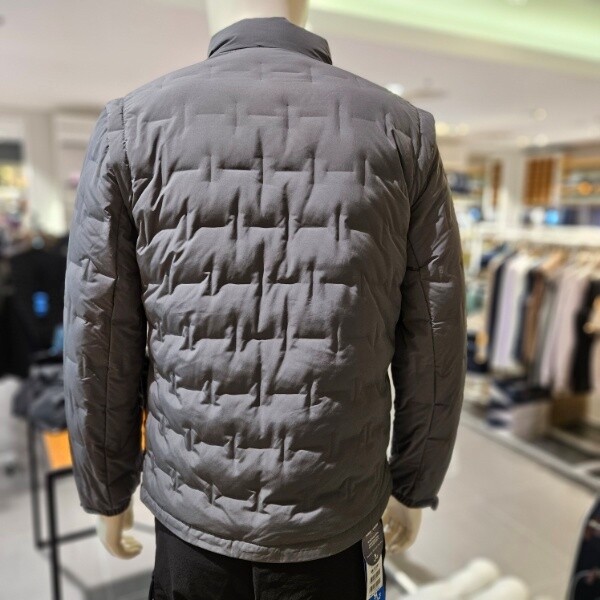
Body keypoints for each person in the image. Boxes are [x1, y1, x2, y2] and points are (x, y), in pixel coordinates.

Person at [63, 1, 466, 598]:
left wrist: (106, 489)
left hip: (195, 511)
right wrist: (413, 483)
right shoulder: (402, 130)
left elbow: (98, 335)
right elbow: (435, 336)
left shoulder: (131, 125)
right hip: (334, 508)